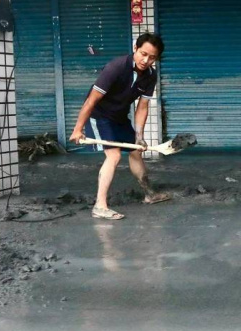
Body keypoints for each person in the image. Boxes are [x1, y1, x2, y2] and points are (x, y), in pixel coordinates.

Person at [69, 32, 171, 220]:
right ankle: (100, 206)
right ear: (135, 49)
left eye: (152, 57)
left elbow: (142, 106)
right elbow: (91, 101)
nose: (145, 60)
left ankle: (150, 194)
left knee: (136, 151)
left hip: (119, 116)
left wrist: (139, 135)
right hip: (99, 116)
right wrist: (78, 128)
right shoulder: (115, 68)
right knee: (114, 155)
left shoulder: (150, 75)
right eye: (143, 54)